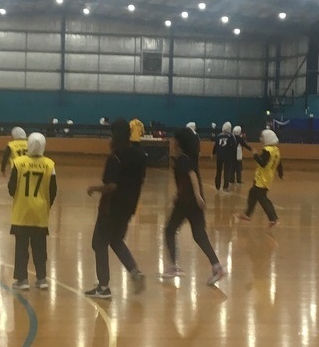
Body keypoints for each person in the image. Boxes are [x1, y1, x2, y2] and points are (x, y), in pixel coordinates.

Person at [85, 119, 147, 299]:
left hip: (111, 207)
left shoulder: (115, 157)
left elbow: (112, 185)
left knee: (99, 242)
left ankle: (103, 287)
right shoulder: (140, 156)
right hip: (129, 207)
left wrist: (95, 189)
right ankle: (135, 273)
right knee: (116, 240)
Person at [162, 128, 225, 285]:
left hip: (187, 202)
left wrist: (197, 195)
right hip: (190, 201)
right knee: (199, 234)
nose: (171, 141)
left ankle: (173, 266)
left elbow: (192, 176)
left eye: (173, 139)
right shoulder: (185, 158)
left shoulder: (183, 159)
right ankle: (217, 267)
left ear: (178, 143)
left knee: (169, 230)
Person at [8, 133, 57, 291]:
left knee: (21, 247)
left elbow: (11, 188)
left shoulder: (18, 163)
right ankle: (42, 279)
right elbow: (53, 190)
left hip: (21, 213)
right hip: (40, 214)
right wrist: (46, 205)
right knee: (40, 247)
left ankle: (22, 280)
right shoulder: (50, 164)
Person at [235, 129, 283, 230]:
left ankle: (273, 218)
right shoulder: (276, 150)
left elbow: (262, 163)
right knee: (252, 193)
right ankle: (247, 214)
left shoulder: (267, 150)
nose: (261, 139)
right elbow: (279, 163)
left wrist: (255, 155)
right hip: (268, 177)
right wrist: (280, 174)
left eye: (263, 137)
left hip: (262, 178)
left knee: (262, 198)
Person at [212, 122, 237, 192]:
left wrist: (213, 153)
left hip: (219, 155)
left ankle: (217, 185)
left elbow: (216, 145)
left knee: (218, 171)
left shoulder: (218, 135)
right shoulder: (231, 136)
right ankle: (225, 187)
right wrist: (234, 156)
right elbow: (234, 146)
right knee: (227, 171)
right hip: (227, 156)